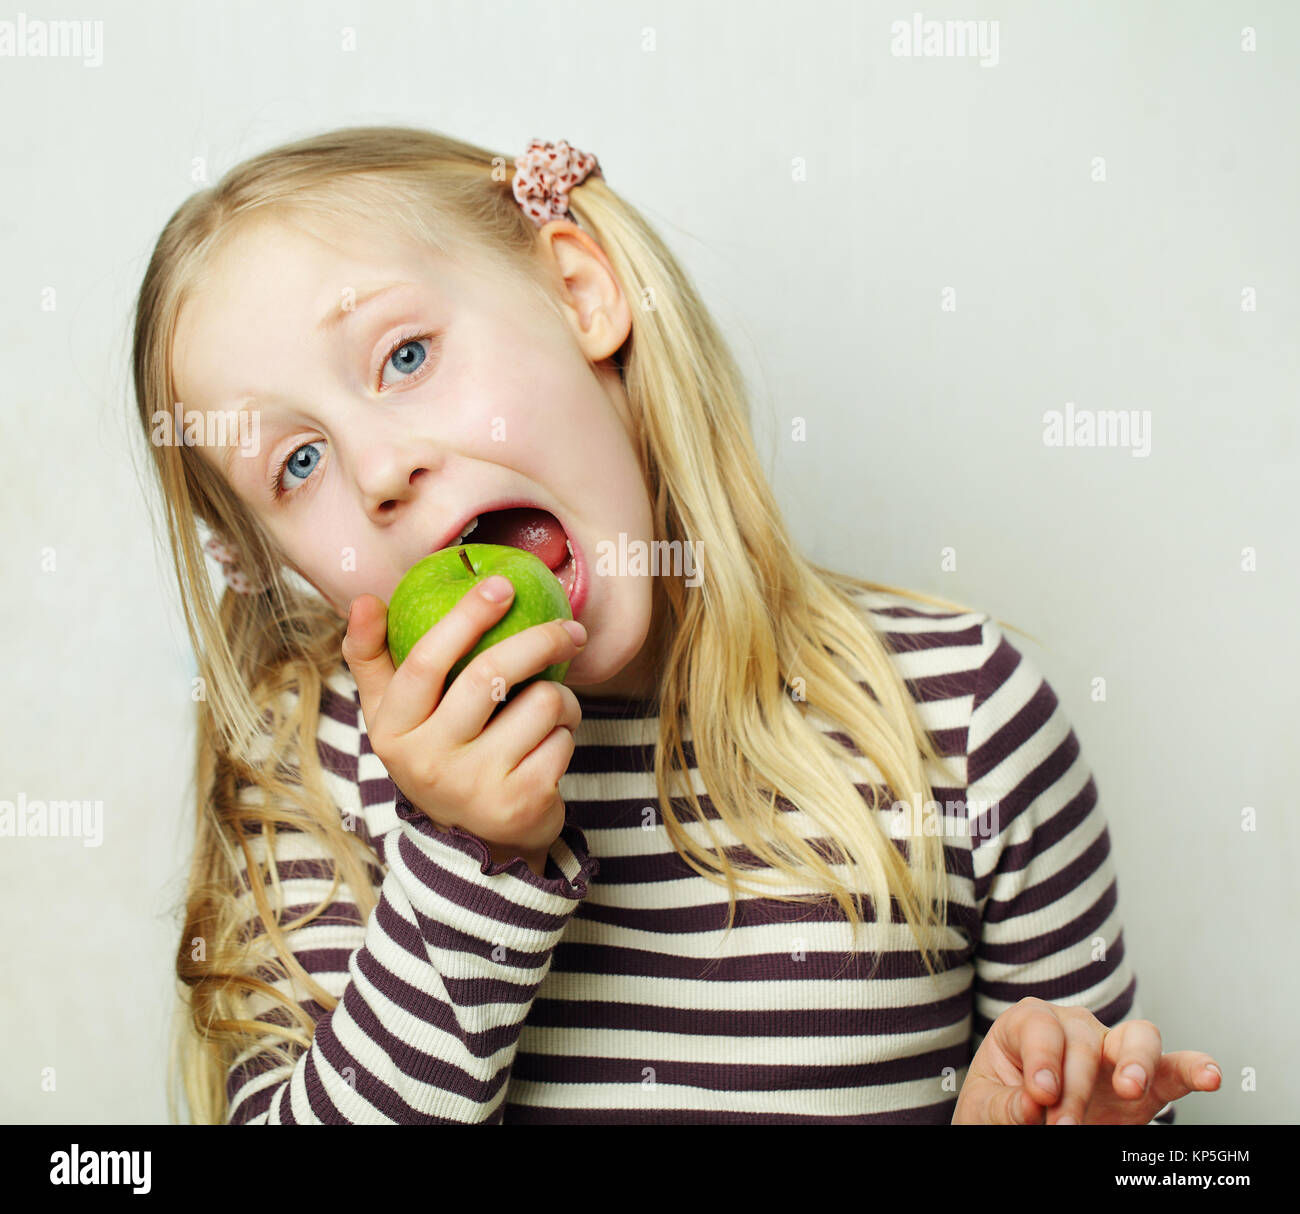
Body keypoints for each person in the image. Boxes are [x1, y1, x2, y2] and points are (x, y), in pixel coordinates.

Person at [134, 127, 1220, 1124]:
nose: (379, 468)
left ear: (578, 291)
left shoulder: (962, 717)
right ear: (287, 565)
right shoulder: (314, 776)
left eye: (406, 355)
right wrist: (467, 854)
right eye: (298, 463)